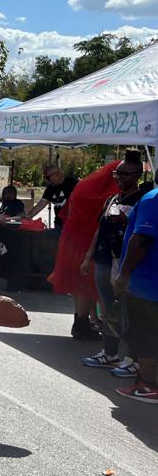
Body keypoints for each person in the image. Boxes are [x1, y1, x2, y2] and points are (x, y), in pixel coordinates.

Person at [81, 151, 147, 373]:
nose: (119, 178)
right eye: (117, 173)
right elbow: (99, 229)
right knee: (108, 308)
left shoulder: (142, 201)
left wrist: (125, 220)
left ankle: (134, 359)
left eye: (125, 174)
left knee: (129, 311)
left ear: (138, 175)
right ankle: (109, 353)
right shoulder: (112, 200)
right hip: (104, 259)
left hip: (125, 262)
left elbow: (143, 235)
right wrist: (89, 256)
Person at [49, 162, 120, 340]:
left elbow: (69, 213)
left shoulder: (83, 187)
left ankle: (81, 321)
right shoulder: (104, 195)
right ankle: (82, 323)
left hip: (72, 241)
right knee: (87, 285)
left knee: (79, 285)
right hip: (88, 242)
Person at [111, 186, 158, 403]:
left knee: (144, 334)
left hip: (147, 284)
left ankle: (147, 386)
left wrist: (123, 274)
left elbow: (141, 240)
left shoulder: (152, 199)